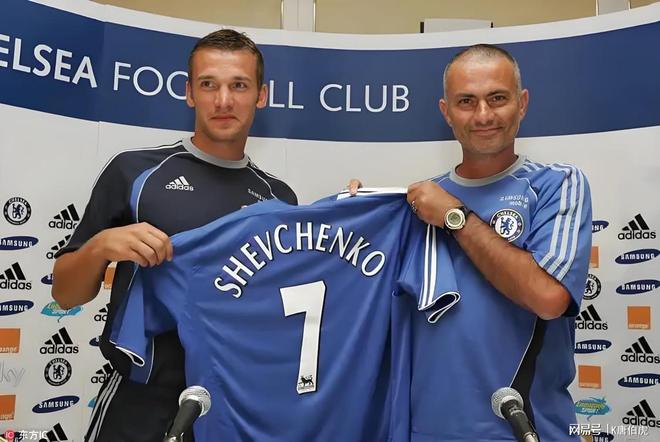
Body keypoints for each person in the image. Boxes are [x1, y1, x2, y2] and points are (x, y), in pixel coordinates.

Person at [52, 29, 297, 442]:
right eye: (209, 84)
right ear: (189, 93)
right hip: (140, 405)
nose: (223, 100)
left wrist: (352, 207)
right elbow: (64, 295)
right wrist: (99, 247)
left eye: (239, 85)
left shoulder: (280, 199)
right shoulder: (135, 172)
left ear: (261, 96)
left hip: (236, 405)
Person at [350, 43, 591, 441]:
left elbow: (548, 297)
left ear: (522, 103)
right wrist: (357, 215)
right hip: (428, 432)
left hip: (523, 430)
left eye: (497, 98)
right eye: (466, 101)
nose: (483, 115)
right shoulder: (416, 204)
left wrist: (455, 217)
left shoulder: (556, 184)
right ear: (446, 112)